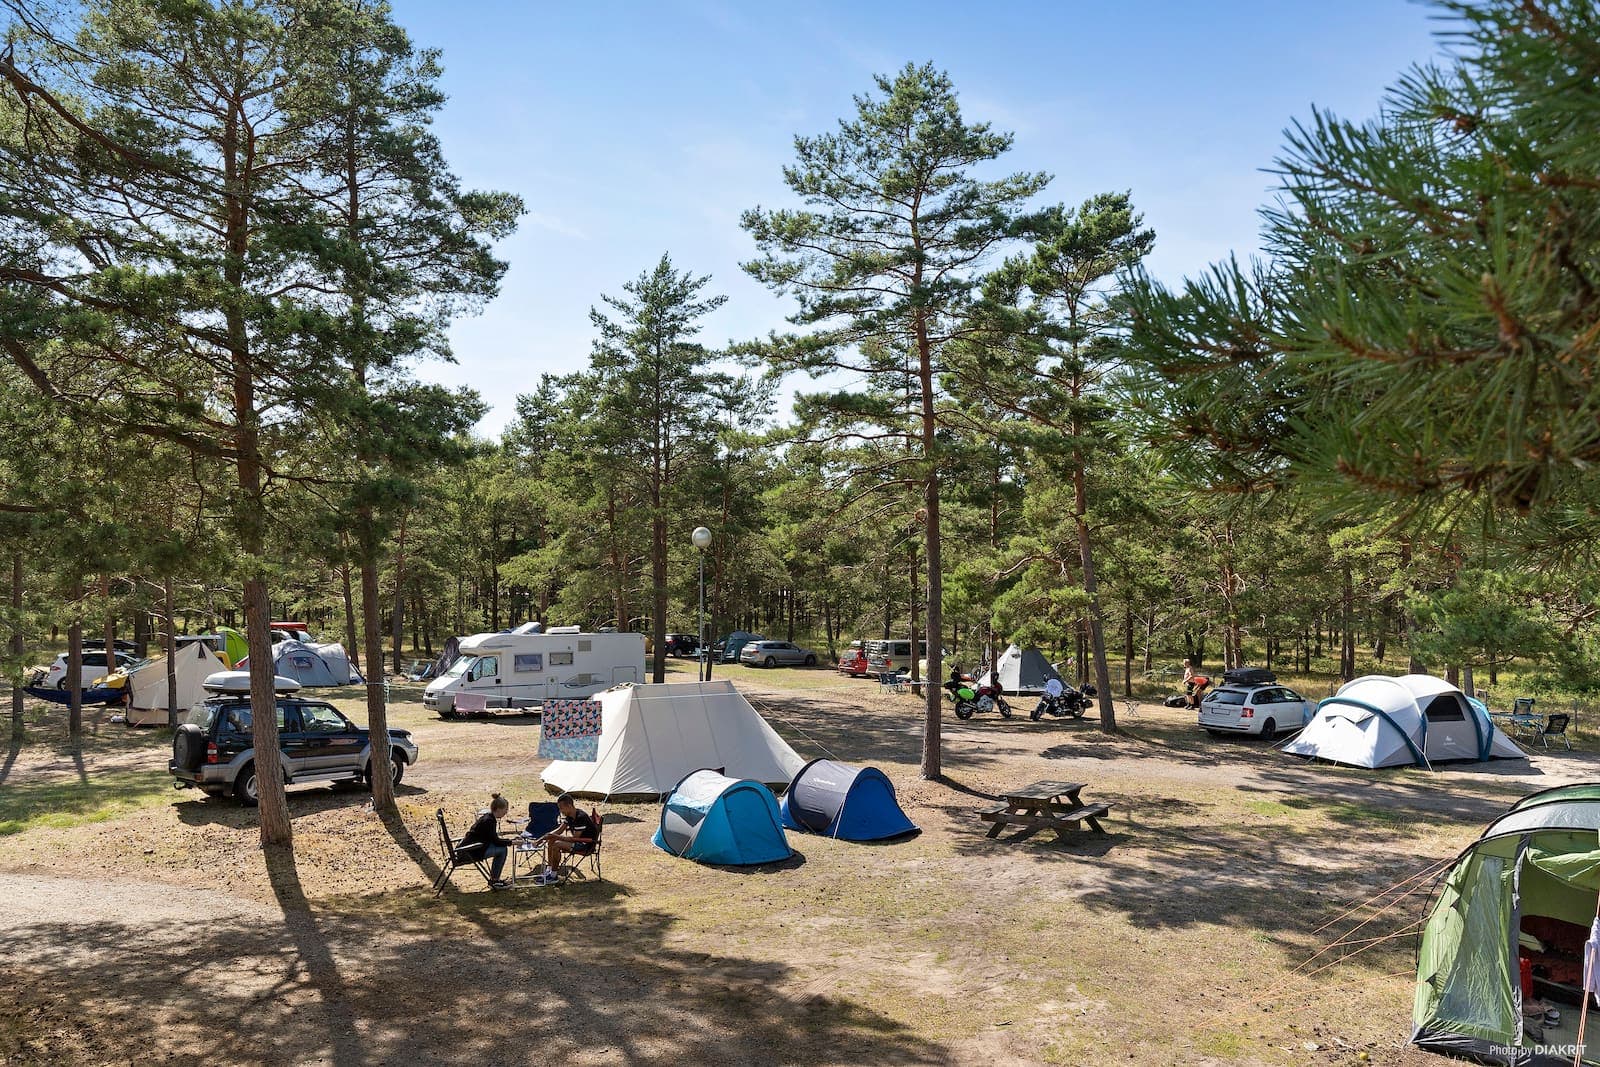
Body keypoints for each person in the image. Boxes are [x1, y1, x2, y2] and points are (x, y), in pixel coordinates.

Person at [536, 793, 598, 887]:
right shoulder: (570, 816)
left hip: (586, 844)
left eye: (561, 808)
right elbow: (559, 830)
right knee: (551, 841)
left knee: (556, 844)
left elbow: (574, 839)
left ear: (569, 806)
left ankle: (553, 876)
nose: (560, 811)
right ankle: (549, 870)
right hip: (578, 841)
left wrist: (555, 837)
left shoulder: (580, 817)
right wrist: (543, 838)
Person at [461, 793, 514, 890]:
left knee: (502, 848)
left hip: (472, 849)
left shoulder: (489, 817)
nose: (506, 812)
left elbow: (493, 839)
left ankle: (494, 880)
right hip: (470, 852)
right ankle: (495, 881)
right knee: (502, 850)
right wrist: (512, 842)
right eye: (505, 809)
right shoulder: (489, 821)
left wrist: (510, 840)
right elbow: (496, 841)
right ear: (498, 809)